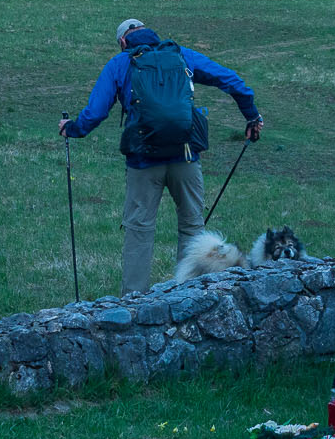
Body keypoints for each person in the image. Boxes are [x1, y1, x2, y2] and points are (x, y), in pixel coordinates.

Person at [59, 19, 261, 295]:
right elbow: (233, 81)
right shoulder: (181, 55)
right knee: (192, 226)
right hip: (186, 156)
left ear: (122, 42)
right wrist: (252, 116)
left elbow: (95, 113)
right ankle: (189, 294)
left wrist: (72, 129)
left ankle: (133, 301)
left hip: (143, 161)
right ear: (150, 34)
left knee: (139, 229)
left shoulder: (120, 63)